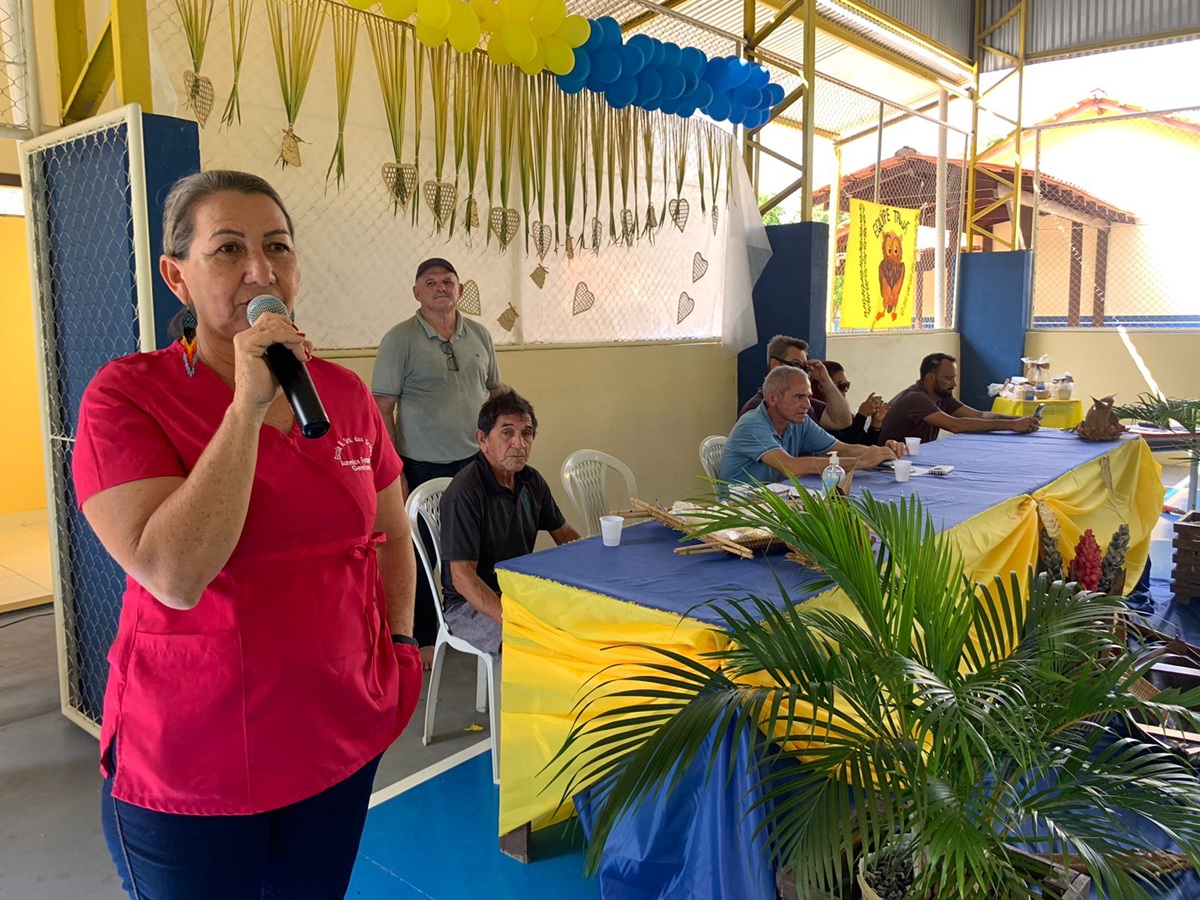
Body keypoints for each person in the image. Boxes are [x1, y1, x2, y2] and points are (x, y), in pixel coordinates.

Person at [72, 170, 421, 900]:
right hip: (196, 766)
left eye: (277, 247)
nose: (260, 270)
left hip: (337, 741)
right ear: (177, 276)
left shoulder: (344, 393)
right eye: (228, 249)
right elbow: (173, 571)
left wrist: (399, 650)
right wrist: (248, 406)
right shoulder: (126, 396)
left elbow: (391, 532)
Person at [372, 257, 502, 667]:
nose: (440, 287)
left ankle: (483, 625)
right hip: (422, 466)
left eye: (448, 281)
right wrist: (395, 475)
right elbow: (383, 407)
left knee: (481, 549)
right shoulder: (400, 340)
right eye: (430, 282)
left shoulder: (479, 335)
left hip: (476, 464)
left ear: (460, 289)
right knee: (427, 555)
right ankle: (427, 639)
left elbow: (495, 394)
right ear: (417, 293)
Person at [439, 389, 581, 656]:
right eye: (507, 432)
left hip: (517, 591)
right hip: (468, 606)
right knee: (534, 644)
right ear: (482, 439)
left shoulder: (530, 480)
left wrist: (595, 569)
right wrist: (512, 619)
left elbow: (564, 536)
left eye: (526, 434)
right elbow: (462, 577)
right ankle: (531, 696)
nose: (519, 443)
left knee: (581, 622)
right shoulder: (464, 493)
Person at [720, 366, 904, 486]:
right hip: (740, 510)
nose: (807, 405)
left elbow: (841, 449)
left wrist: (880, 452)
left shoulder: (798, 421)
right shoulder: (751, 424)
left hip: (776, 502)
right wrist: (860, 462)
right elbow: (791, 466)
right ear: (773, 398)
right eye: (799, 397)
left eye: (808, 396)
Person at [878, 352, 1040, 445]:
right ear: (930, 378)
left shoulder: (943, 395)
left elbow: (979, 415)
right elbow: (955, 425)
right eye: (948, 378)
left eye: (954, 377)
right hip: (889, 463)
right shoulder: (915, 398)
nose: (954, 383)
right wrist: (1011, 425)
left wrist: (1020, 419)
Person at [738, 334, 853, 430]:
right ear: (775, 365)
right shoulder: (757, 410)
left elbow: (843, 422)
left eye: (805, 367)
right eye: (796, 365)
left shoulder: (805, 404)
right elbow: (779, 457)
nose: (802, 372)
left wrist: (826, 380)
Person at [812, 360, 888, 445]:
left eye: (847, 385)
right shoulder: (816, 412)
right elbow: (847, 445)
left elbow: (865, 446)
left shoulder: (844, 413)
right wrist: (862, 415)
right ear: (821, 387)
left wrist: (875, 423)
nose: (846, 390)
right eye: (841, 385)